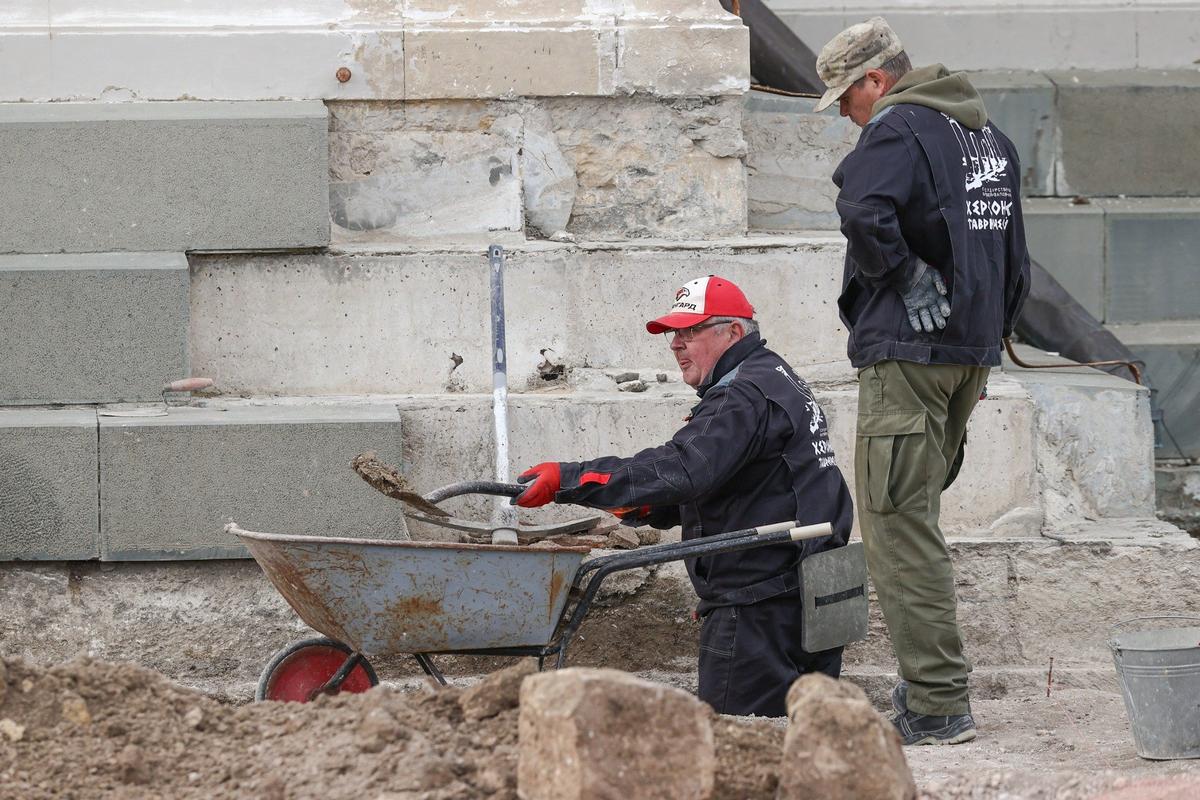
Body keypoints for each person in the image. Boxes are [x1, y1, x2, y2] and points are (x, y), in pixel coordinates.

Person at [814, 18, 1030, 744]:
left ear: (877, 79)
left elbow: (860, 209)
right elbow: (1016, 258)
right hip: (967, 354)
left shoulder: (899, 129)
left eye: (848, 97)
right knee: (917, 521)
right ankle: (929, 689)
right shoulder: (988, 138)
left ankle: (937, 704)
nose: (847, 113)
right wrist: (984, 333)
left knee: (898, 530)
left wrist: (904, 275)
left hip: (908, 357)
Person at [513, 275, 854, 717]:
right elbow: (746, 478)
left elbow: (685, 468)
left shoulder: (742, 393)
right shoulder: (774, 376)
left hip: (760, 606)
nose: (677, 343)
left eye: (691, 331)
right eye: (675, 333)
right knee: (800, 743)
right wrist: (648, 505)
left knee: (737, 753)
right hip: (808, 591)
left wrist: (570, 479)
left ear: (732, 332)